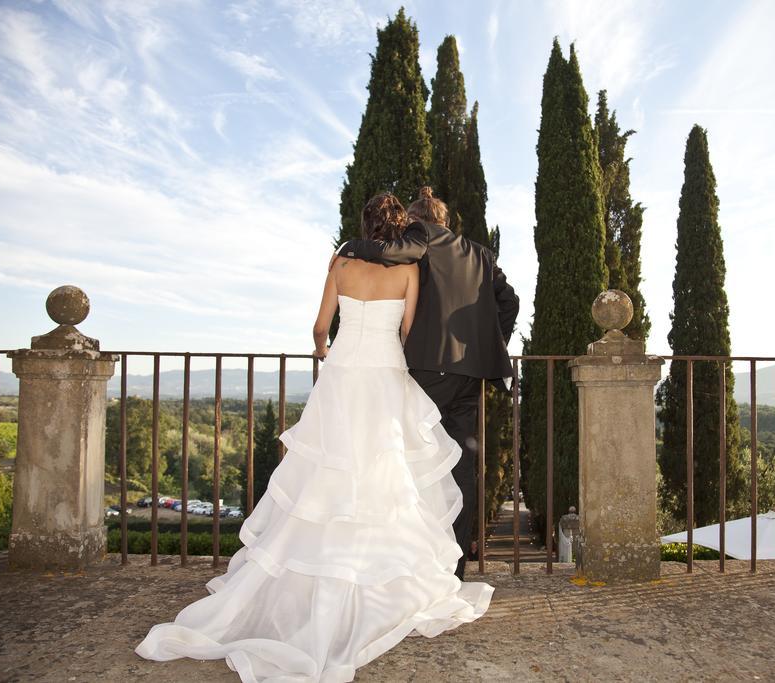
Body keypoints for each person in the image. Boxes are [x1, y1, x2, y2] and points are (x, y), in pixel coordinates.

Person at [135, 192, 494, 682]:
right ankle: (384, 575)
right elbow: (409, 332)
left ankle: (314, 572)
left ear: (365, 225)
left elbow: (320, 325)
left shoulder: (341, 262)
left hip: (344, 374)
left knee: (328, 470)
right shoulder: (412, 271)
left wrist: (325, 350)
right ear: (399, 230)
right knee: (385, 472)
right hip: (386, 373)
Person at [336, 186, 520, 579]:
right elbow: (510, 302)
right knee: (460, 467)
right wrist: (487, 342)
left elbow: (389, 254)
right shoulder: (481, 254)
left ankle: (411, 563)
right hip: (469, 376)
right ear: (447, 221)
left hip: (426, 371)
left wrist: (351, 246)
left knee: (409, 460)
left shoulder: (420, 238)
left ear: (417, 221)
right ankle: (453, 569)